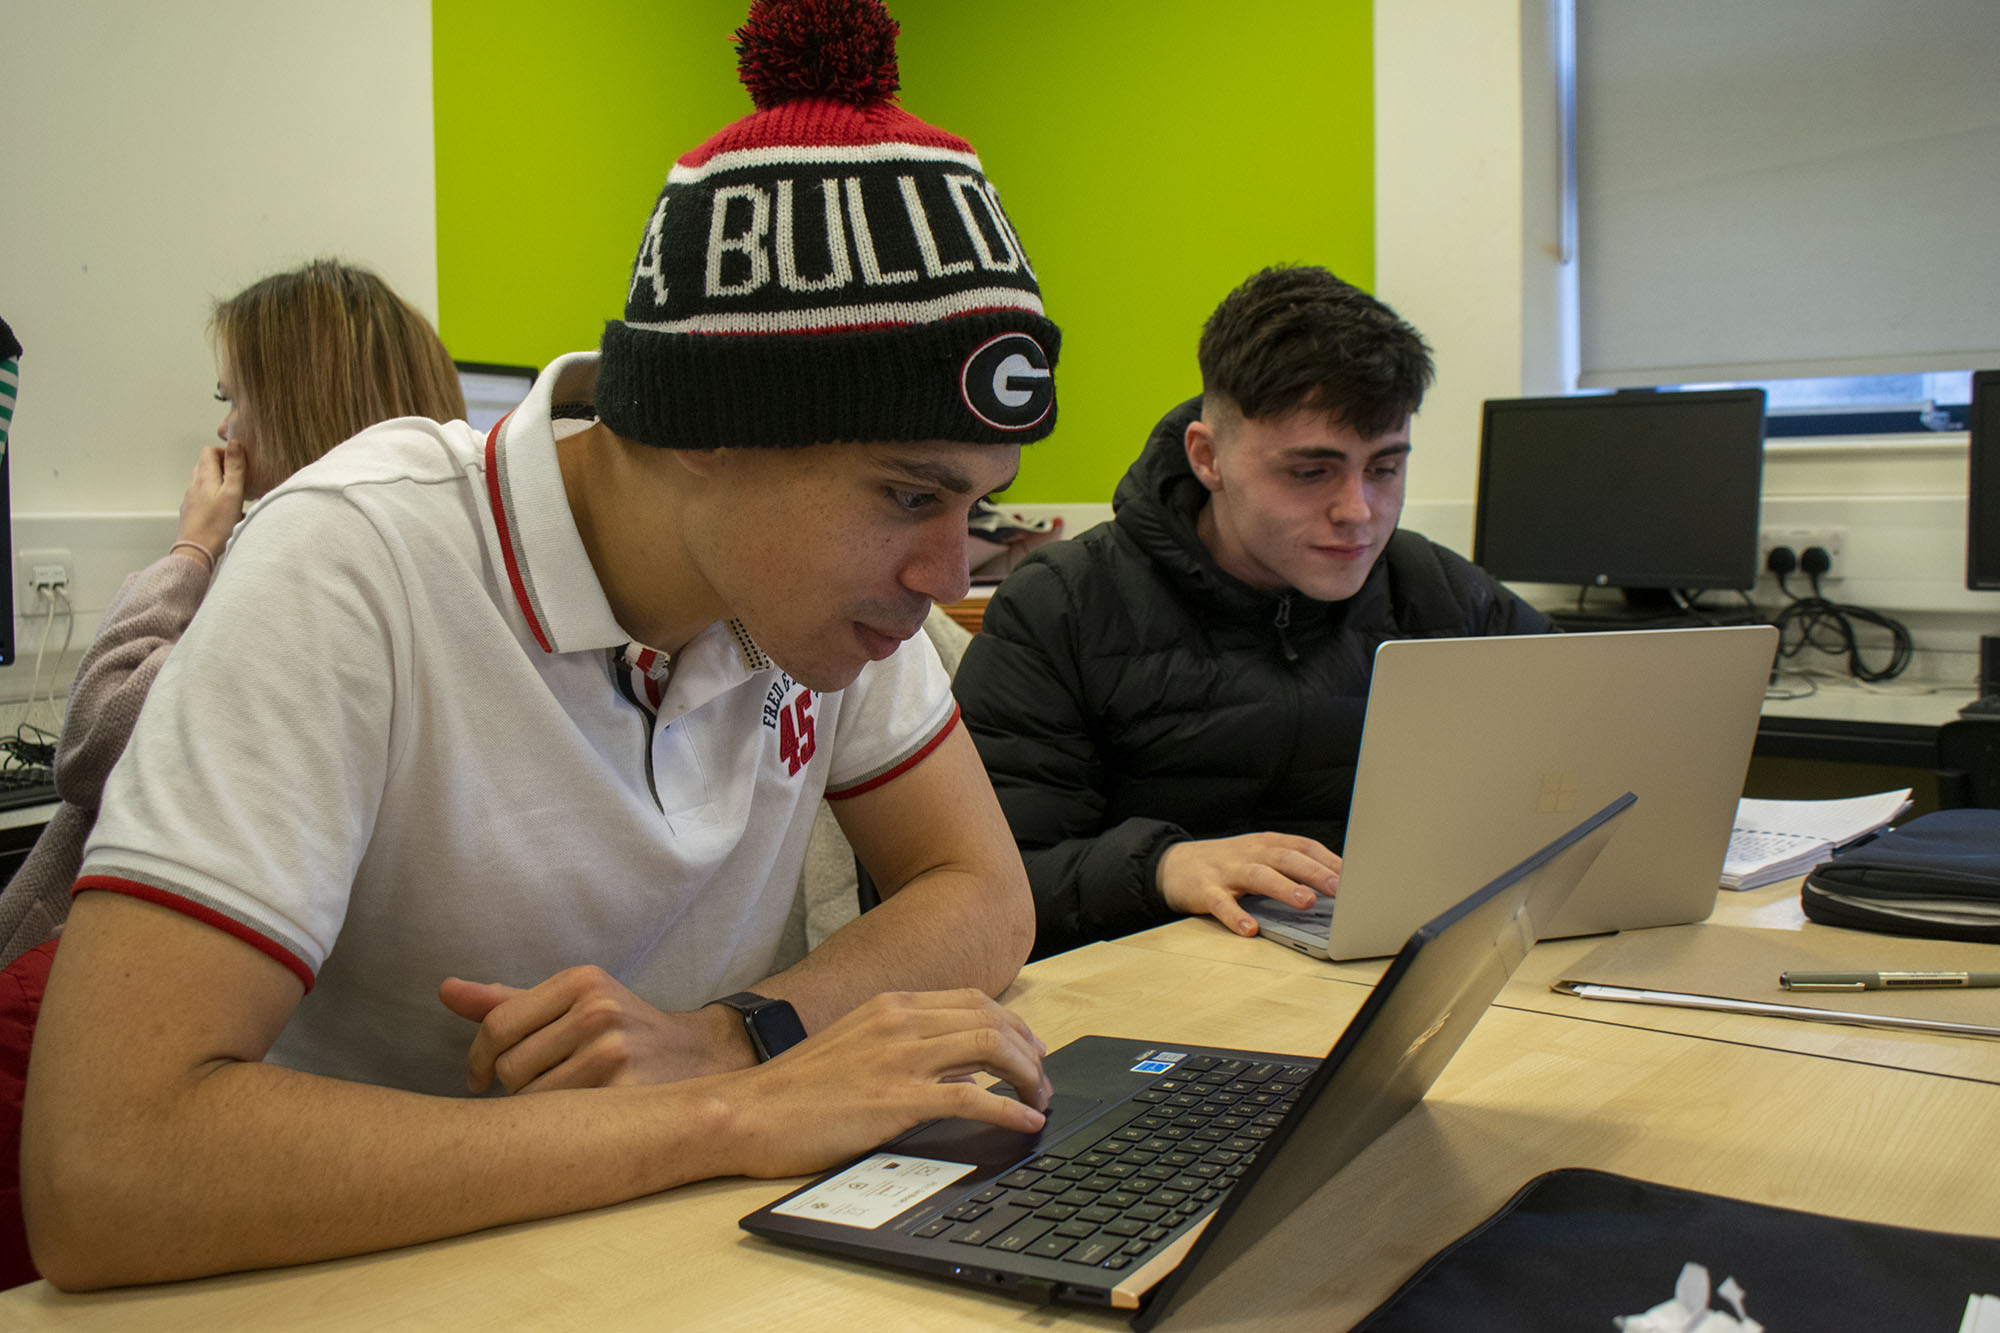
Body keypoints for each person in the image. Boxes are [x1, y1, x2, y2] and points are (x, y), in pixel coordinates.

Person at [23, 0, 1058, 1291]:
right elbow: (102, 1168)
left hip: (669, 1269)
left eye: (978, 500)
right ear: (707, 429)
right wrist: (718, 1116)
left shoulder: (825, 593)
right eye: (911, 495)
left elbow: (985, 896)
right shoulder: (356, 562)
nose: (950, 573)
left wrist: (727, 1044)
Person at [953, 265, 1553, 957]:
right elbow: (976, 889)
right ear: (1208, 458)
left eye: (1385, 468)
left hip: (1385, 975)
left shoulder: (1439, 590)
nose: (1358, 511)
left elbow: (1589, 763)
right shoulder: (1061, 605)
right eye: (1309, 471)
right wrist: (1160, 868)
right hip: (1153, 1001)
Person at [0, 261, 466, 971]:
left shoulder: (304, 576)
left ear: (299, 404)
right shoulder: (439, 565)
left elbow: (93, 743)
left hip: (98, 982)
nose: (226, 427)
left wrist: (192, 547)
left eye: (235, 397)